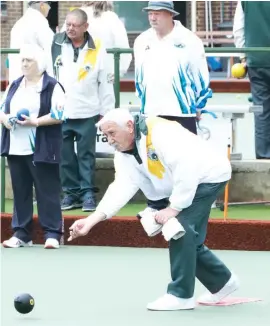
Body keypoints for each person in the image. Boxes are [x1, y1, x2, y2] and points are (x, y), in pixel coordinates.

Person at [68, 108, 239, 311]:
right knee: (189, 236)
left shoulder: (160, 133)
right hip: (185, 182)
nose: (109, 140)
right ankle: (223, 282)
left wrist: (173, 208)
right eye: (105, 135)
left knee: (180, 227)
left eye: (112, 133)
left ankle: (181, 295)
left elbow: (187, 168)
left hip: (208, 176)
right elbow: (122, 186)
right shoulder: (123, 152)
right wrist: (91, 220)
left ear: (130, 127)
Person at [133, 1, 212, 213]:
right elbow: (139, 78)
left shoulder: (189, 40)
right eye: (150, 13)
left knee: (187, 161)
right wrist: (143, 105)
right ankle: (157, 205)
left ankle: (190, 205)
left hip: (182, 110)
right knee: (154, 161)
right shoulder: (141, 40)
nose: (153, 17)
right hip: (151, 112)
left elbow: (201, 74)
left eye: (158, 13)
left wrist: (199, 105)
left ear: (170, 14)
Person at [0, 44, 66, 249]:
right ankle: (21, 233)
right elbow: (2, 109)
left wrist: (34, 122)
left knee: (47, 190)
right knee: (20, 191)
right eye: (23, 60)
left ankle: (52, 233)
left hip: (42, 147)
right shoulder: (15, 84)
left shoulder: (52, 86)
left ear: (41, 63)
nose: (25, 64)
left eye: (29, 60)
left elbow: (60, 114)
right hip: (16, 147)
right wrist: (6, 120)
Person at [52, 9, 115, 212]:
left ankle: (88, 193)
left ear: (86, 26)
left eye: (75, 25)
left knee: (86, 155)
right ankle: (70, 193)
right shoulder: (55, 43)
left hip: (88, 110)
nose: (70, 28)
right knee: (65, 155)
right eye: (68, 24)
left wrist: (107, 112)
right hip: (60, 111)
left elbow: (105, 82)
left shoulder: (97, 47)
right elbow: (46, 73)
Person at [233, 1, 270, 159]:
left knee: (261, 111)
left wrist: (244, 56)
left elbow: (238, 29)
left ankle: (264, 156)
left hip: (257, 60)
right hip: (257, 59)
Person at [61, 1, 132, 82]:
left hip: (77, 76)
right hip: (104, 76)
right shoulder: (111, 18)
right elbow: (123, 47)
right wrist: (119, 71)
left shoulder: (74, 15)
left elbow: (61, 45)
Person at [8, 1, 54, 84]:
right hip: (34, 79)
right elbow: (50, 48)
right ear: (42, 5)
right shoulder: (40, 22)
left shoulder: (19, 23)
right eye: (49, 4)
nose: (50, 8)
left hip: (17, 77)